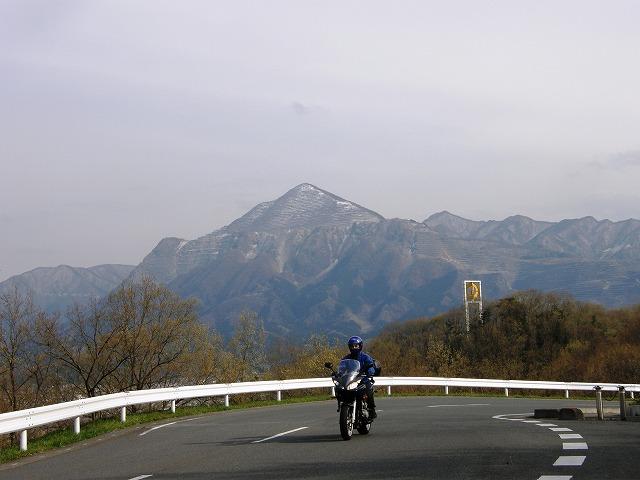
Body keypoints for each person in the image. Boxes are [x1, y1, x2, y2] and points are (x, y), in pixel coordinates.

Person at [342, 335, 378, 419]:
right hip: (351, 380)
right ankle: (345, 407)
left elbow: (371, 366)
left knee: (369, 392)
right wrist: (338, 373)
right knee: (341, 391)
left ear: (360, 346)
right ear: (349, 347)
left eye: (356, 346)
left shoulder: (365, 357)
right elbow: (342, 367)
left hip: (363, 380)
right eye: (352, 346)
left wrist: (370, 371)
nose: (354, 348)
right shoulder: (346, 358)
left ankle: (372, 410)